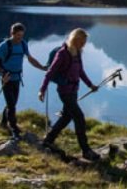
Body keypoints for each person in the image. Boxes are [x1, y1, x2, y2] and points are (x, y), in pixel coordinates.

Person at [38, 28, 101, 161]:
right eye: (82, 41)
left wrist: (90, 85)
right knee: (79, 117)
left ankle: (48, 140)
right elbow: (49, 73)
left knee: (66, 117)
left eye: (85, 42)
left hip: (74, 90)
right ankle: (86, 150)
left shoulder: (77, 52)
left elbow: (80, 71)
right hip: (65, 92)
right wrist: (42, 90)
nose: (84, 44)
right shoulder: (62, 53)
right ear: (75, 39)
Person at [0, 22, 46, 140]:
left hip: (17, 78)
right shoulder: (5, 45)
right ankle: (14, 129)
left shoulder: (23, 44)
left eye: (22, 35)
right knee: (11, 105)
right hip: (7, 78)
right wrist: (2, 73)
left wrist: (43, 68)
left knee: (12, 103)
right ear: (12, 33)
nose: (20, 38)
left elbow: (30, 59)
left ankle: (3, 123)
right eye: (18, 35)